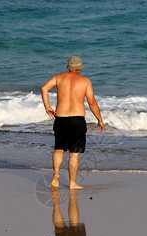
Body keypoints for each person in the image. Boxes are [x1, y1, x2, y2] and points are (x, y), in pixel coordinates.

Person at [41, 56, 104, 190]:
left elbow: (44, 88)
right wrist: (99, 119)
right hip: (77, 120)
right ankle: (72, 183)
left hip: (61, 118)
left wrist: (47, 106)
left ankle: (56, 175)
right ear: (80, 67)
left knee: (59, 149)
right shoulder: (85, 81)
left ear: (68, 66)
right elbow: (92, 102)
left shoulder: (59, 77)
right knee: (74, 153)